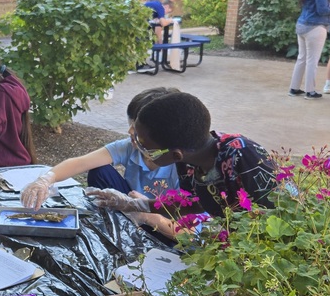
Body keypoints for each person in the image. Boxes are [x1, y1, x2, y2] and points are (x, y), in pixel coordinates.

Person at [21, 87, 181, 239]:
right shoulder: (130, 147)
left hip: (166, 228)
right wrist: (46, 179)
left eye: (136, 129)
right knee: (100, 170)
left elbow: (191, 234)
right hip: (133, 206)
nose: (130, 132)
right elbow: (80, 163)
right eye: (130, 125)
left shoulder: (182, 168)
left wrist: (147, 215)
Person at [103, 91, 277, 219]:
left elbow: (277, 216)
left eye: (146, 147)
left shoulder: (244, 157)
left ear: (175, 155)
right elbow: (191, 204)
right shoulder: (189, 160)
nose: (139, 147)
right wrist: (130, 204)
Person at [290, 0, 330, 100]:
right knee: (312, 60)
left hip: (302, 25)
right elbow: (322, 10)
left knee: (302, 58)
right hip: (315, 27)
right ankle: (310, 91)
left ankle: (294, 88)